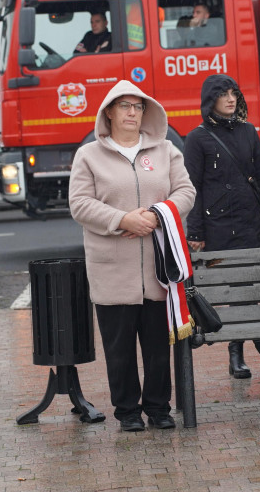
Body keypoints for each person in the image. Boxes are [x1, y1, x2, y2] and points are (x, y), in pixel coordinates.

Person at [69, 80, 195, 431]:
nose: (130, 112)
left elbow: (186, 190)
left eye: (137, 106)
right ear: (108, 112)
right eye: (123, 105)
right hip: (112, 270)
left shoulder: (166, 150)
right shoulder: (89, 155)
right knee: (119, 349)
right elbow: (79, 204)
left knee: (157, 346)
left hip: (159, 267)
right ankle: (126, 411)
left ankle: (158, 408)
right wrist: (120, 219)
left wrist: (158, 215)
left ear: (145, 112)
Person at [183, 74, 260, 379]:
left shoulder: (248, 132)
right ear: (210, 100)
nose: (231, 99)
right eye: (224, 94)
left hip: (249, 221)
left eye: (234, 93)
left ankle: (238, 354)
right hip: (217, 227)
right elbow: (194, 188)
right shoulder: (197, 138)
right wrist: (197, 231)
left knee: (245, 286)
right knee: (238, 287)